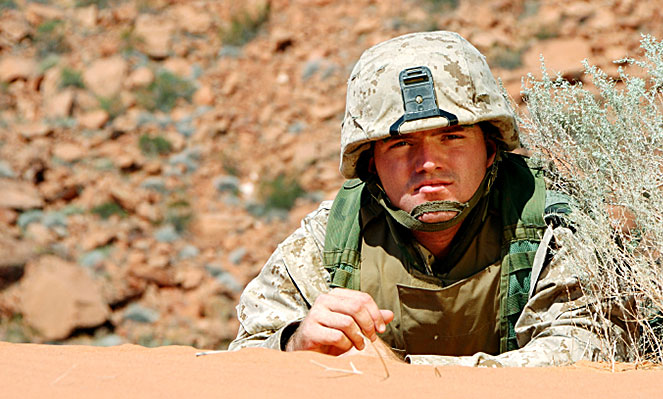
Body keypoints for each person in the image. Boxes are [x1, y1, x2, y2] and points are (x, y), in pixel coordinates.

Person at [228, 31, 629, 366]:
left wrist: (397, 374)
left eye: (451, 137)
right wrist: (295, 344)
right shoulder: (331, 240)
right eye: (401, 144)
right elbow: (240, 362)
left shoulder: (553, 228)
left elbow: (586, 353)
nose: (428, 163)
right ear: (371, 164)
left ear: (490, 150)